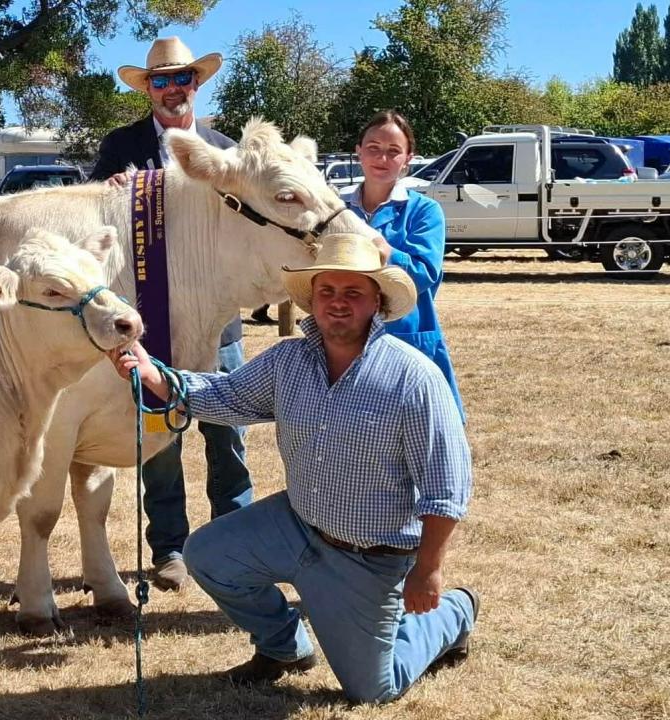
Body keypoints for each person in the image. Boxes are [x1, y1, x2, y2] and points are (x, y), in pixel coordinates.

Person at [108, 233, 477, 704]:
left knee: (373, 690)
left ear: (377, 303)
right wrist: (154, 374)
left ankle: (455, 613)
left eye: (353, 293)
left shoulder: (413, 378)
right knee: (206, 555)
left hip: (370, 557)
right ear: (312, 299)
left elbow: (446, 488)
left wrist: (428, 572)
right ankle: (283, 649)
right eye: (327, 292)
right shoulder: (288, 360)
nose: (337, 304)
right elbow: (224, 396)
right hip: (297, 524)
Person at [89, 36, 250, 592]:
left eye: (181, 78)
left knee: (227, 434)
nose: (172, 89)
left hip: (219, 321)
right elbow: (95, 231)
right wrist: (105, 195)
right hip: (151, 318)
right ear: (148, 90)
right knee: (161, 438)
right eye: (160, 81)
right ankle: (170, 550)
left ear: (196, 84)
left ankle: (234, 544)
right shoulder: (119, 149)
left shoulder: (226, 151)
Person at [342, 109, 464, 418]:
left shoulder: (425, 211)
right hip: (343, 339)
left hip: (407, 337)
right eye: (373, 148)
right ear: (358, 151)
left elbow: (424, 273)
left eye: (393, 151)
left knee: (422, 433)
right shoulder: (336, 210)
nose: (382, 157)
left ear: (408, 158)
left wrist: (386, 251)